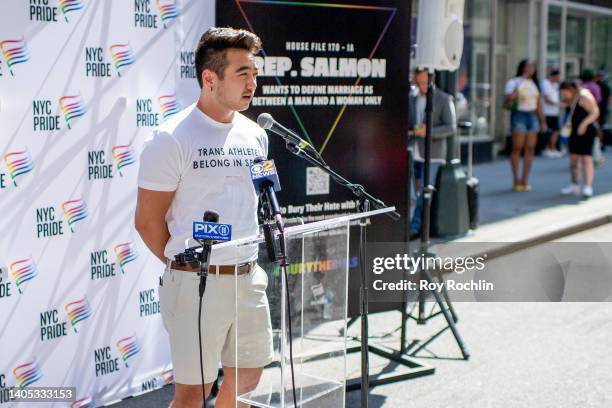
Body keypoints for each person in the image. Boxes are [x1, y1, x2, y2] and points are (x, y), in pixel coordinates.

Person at [135, 27, 273, 408]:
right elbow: (148, 221)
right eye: (242, 73)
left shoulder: (256, 135)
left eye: (255, 73)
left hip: (248, 277)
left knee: (247, 378)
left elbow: (261, 196)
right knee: (193, 393)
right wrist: (184, 266)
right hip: (197, 282)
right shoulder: (172, 138)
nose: (253, 83)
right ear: (209, 78)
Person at [407, 68, 456, 238]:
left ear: (431, 80)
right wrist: (412, 131)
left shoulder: (443, 98)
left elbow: (451, 127)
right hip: (413, 149)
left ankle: (416, 228)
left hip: (433, 153)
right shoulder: (411, 97)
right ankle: (410, 225)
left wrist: (429, 131)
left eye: (424, 83)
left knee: (424, 193)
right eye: (418, 82)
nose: (421, 87)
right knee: (411, 192)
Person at [504, 59, 547, 191]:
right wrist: (516, 91)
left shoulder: (535, 84)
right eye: (527, 66)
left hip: (532, 116)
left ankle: (525, 179)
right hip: (519, 115)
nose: (530, 69)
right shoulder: (514, 82)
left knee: (530, 148)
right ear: (522, 67)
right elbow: (507, 100)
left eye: (532, 67)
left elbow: (539, 104)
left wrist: (543, 121)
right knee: (517, 148)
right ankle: (516, 179)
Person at [559, 80, 600, 198]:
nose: (563, 95)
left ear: (571, 90)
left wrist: (584, 124)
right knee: (573, 159)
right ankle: (574, 185)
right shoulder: (570, 99)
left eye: (564, 92)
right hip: (574, 131)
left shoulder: (584, 96)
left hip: (586, 131)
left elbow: (595, 112)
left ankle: (588, 186)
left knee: (586, 158)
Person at [541, 69, 563, 158]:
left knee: (555, 131)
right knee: (549, 131)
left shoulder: (556, 85)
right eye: (557, 76)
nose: (558, 78)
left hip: (554, 112)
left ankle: (552, 149)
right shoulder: (545, 83)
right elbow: (546, 98)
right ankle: (547, 149)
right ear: (552, 76)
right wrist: (557, 104)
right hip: (546, 112)